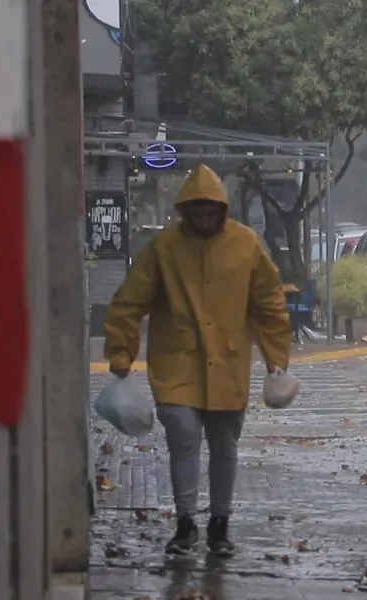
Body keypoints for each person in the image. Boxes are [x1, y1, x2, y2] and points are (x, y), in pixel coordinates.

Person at [104, 164, 292, 556]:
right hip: (176, 365)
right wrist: (121, 356)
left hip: (228, 365)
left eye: (210, 213)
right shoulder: (164, 248)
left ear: (222, 210)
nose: (204, 220)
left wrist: (276, 359)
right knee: (184, 441)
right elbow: (128, 302)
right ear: (185, 211)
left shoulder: (246, 245)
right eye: (197, 213)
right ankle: (186, 522)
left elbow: (269, 304)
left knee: (224, 447)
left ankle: (219, 523)